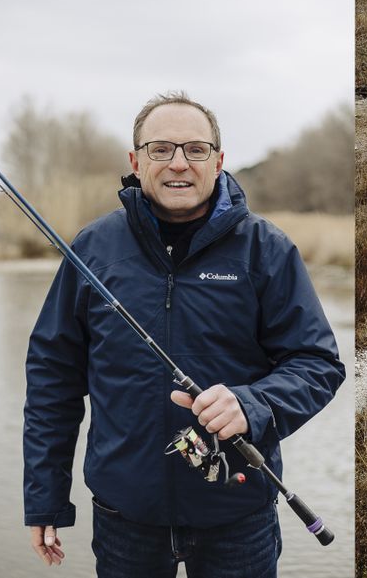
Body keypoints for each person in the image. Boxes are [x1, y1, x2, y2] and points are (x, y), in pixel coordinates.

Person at [23, 91, 346, 577]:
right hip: (124, 516)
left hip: (238, 515)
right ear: (136, 160)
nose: (179, 163)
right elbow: (53, 377)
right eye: (161, 149)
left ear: (219, 160)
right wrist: (45, 496)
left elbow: (318, 364)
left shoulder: (267, 250)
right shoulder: (92, 248)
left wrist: (253, 404)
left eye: (196, 149)